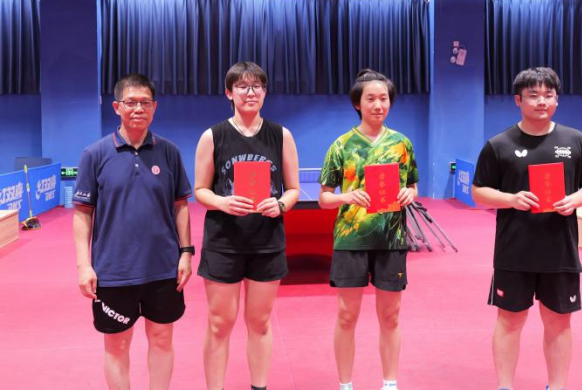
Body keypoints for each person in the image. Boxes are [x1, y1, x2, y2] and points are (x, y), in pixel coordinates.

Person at [471, 67, 582, 390]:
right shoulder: (499, 145)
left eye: (548, 95)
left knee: (558, 322)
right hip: (513, 252)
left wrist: (574, 199)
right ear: (518, 100)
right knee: (510, 321)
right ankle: (505, 386)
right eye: (533, 95)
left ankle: (556, 386)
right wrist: (510, 199)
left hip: (560, 251)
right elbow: (478, 192)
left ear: (557, 100)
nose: (542, 101)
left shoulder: (576, 141)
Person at [73, 73, 193, 390]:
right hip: (113, 272)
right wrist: (84, 266)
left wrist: (186, 253)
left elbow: (181, 205)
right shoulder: (95, 154)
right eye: (131, 102)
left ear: (154, 107)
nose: (138, 108)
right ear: (117, 107)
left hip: (163, 269)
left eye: (145, 103)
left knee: (162, 338)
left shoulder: (169, 152)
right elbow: (83, 213)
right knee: (117, 345)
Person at [194, 61, 300, 390]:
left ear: (265, 92)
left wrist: (280, 204)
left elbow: (293, 189)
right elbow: (200, 190)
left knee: (260, 322)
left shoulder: (281, 135)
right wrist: (222, 202)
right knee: (219, 324)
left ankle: (259, 387)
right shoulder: (213, 136)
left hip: (267, 242)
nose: (250, 92)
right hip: (224, 242)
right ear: (229, 93)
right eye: (242, 86)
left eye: (257, 86)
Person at [318, 69, 419, 390]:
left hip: (392, 239)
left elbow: (413, 186)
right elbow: (324, 198)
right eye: (371, 99)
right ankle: (345, 384)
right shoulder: (341, 145)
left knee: (391, 316)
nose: (378, 105)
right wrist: (346, 197)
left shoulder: (402, 144)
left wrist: (410, 194)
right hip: (351, 241)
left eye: (384, 99)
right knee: (347, 316)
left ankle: (389, 383)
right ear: (357, 104)